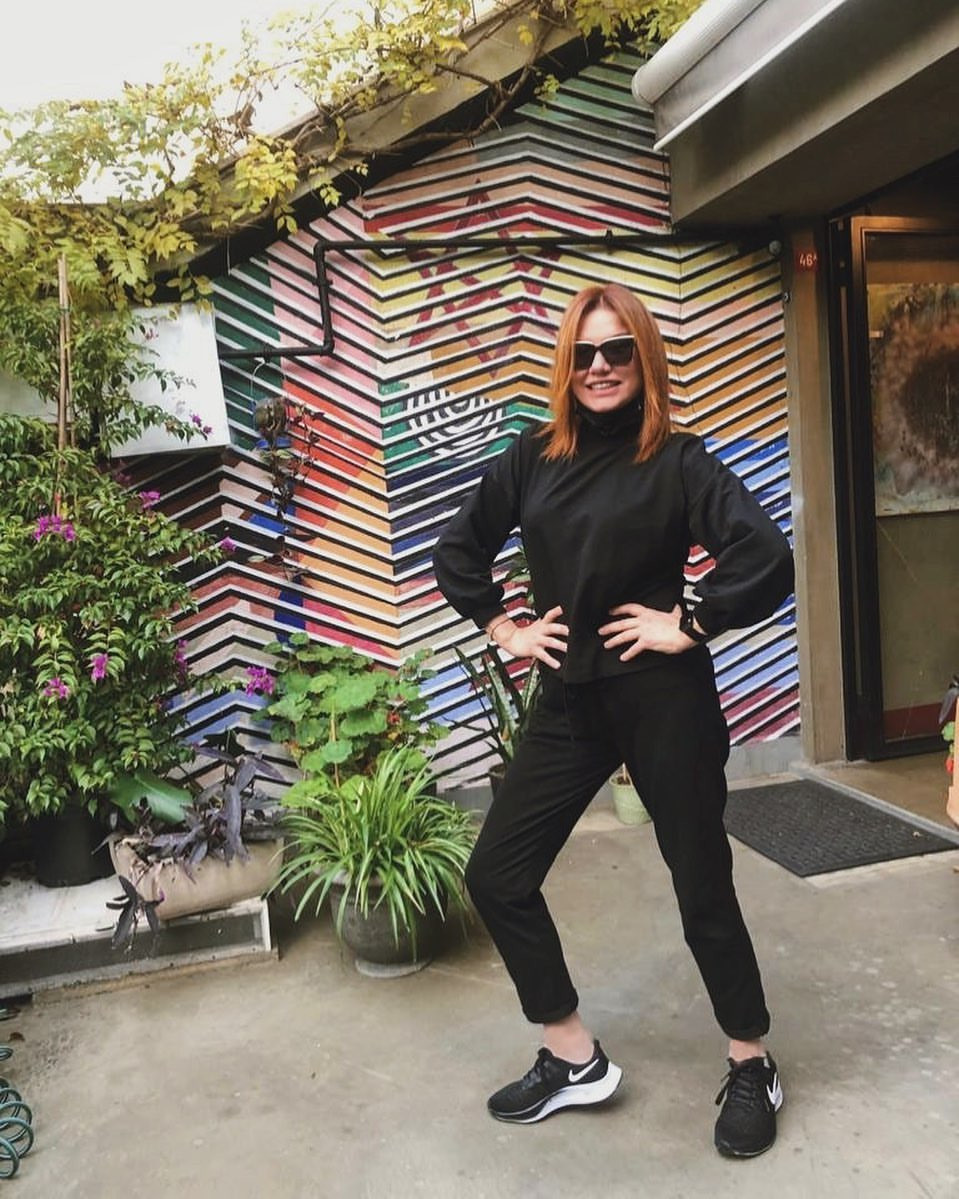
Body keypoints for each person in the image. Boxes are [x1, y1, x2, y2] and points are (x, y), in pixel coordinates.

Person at [432, 282, 794, 1158]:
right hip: (568, 699)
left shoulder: (677, 459)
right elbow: (458, 550)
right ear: (567, 363)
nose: (599, 366)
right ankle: (572, 1054)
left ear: (643, 357)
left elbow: (764, 553)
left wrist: (691, 621)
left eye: (617, 350)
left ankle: (751, 1060)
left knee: (700, 883)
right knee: (498, 873)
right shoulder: (530, 458)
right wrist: (506, 628)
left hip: (662, 698)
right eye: (584, 352)